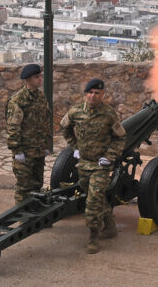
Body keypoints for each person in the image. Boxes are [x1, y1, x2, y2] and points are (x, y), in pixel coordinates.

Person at [60, 78, 126, 254]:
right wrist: (74, 147)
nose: (93, 96)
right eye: (90, 92)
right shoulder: (75, 112)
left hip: (100, 165)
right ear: (86, 94)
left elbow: (120, 138)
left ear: (103, 95)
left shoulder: (109, 114)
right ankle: (111, 226)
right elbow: (64, 127)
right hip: (84, 163)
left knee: (93, 199)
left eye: (97, 93)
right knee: (92, 195)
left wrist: (110, 157)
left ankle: (93, 236)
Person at [6, 63, 53, 204]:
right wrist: (17, 151)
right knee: (23, 189)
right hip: (25, 153)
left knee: (37, 185)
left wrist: (46, 145)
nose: (40, 79)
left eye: (40, 76)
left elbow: (45, 122)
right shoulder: (17, 101)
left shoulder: (41, 97)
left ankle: (35, 214)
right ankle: (23, 220)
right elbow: (13, 128)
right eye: (36, 77)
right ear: (27, 80)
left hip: (38, 151)